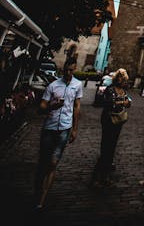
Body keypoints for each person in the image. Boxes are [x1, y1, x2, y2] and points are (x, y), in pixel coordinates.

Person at [34, 58, 82, 210]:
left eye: (72, 70)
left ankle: (42, 197)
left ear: (75, 69)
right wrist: (52, 106)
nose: (69, 73)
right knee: (43, 162)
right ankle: (38, 189)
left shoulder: (77, 85)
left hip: (65, 128)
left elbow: (77, 108)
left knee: (53, 162)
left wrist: (75, 129)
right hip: (49, 127)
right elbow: (41, 108)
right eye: (67, 70)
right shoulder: (53, 85)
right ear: (63, 69)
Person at [92, 68, 131, 187]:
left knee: (112, 147)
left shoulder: (123, 91)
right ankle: (97, 176)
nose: (122, 80)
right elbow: (108, 102)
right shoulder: (110, 89)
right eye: (120, 78)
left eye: (123, 79)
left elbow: (128, 101)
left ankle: (105, 173)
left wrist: (127, 103)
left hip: (118, 122)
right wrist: (121, 103)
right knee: (105, 147)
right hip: (108, 121)